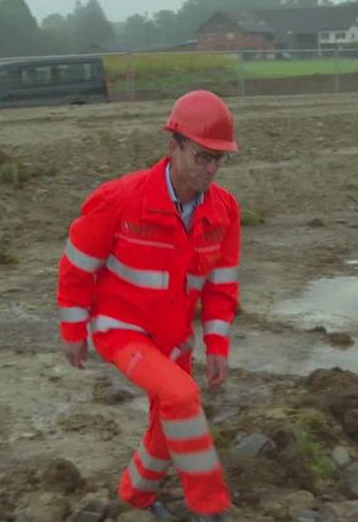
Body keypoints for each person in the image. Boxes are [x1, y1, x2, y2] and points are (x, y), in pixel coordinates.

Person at [57, 90, 241, 521]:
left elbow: (221, 287)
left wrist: (217, 346)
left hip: (175, 338)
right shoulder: (120, 199)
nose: (211, 168)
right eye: (202, 156)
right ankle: (210, 507)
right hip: (121, 330)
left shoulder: (224, 211)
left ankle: (136, 494)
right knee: (182, 395)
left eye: (218, 159)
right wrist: (73, 331)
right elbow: (77, 269)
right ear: (173, 145)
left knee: (168, 416)